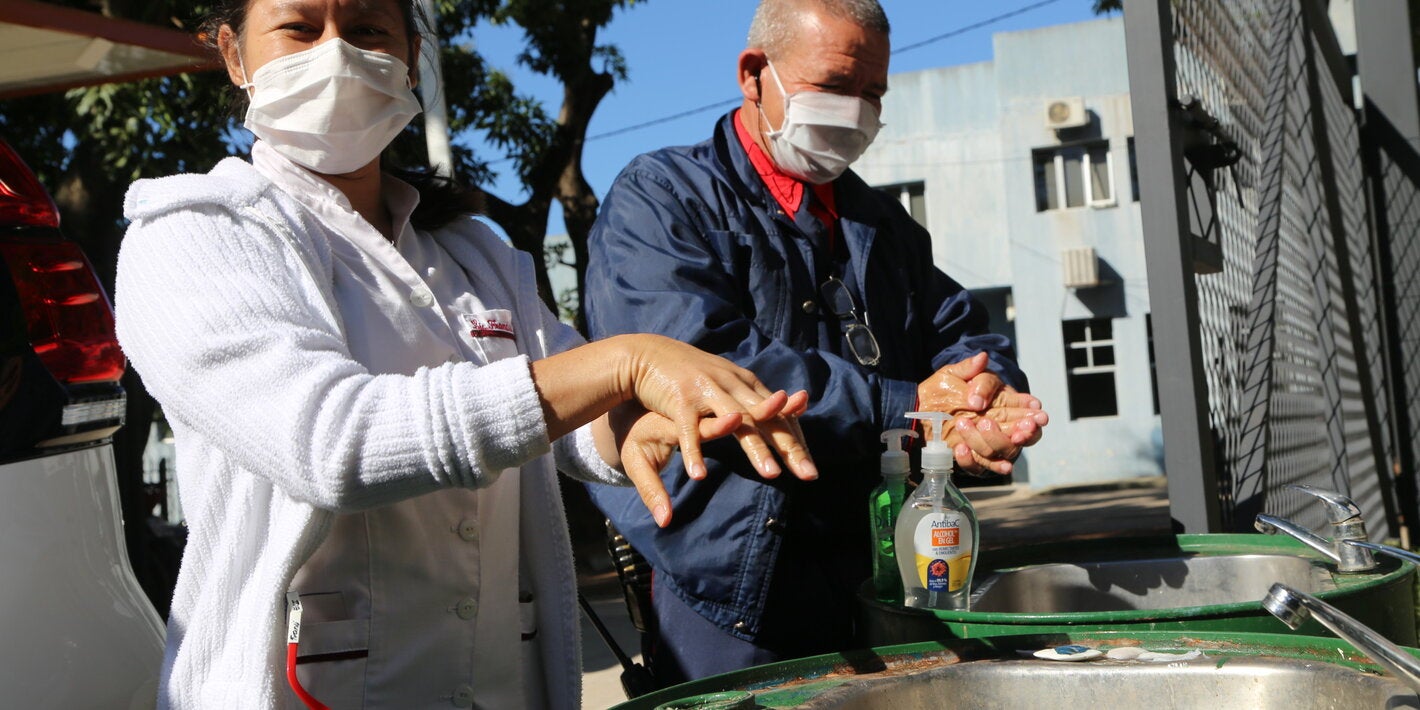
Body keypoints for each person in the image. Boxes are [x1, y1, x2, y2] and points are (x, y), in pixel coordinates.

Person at [112, 1, 817, 708]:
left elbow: (574, 419)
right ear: (235, 55)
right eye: (301, 27)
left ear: (413, 57)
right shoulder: (193, 232)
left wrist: (635, 425)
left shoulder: (474, 252)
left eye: (367, 31)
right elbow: (334, 444)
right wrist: (624, 362)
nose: (336, 55)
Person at [583, 0, 1049, 684]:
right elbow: (706, 362)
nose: (857, 112)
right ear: (753, 75)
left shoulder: (884, 226)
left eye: (874, 94)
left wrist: (986, 395)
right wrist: (910, 407)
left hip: (878, 569)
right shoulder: (662, 198)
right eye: (834, 86)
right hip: (733, 582)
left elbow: (961, 329)